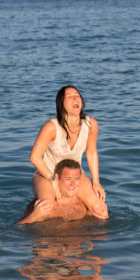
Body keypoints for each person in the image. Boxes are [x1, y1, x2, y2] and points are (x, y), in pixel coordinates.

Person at [30, 85, 106, 217]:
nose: (75, 98)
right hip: (47, 175)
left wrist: (96, 182)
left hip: (75, 175)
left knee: (100, 209)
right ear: (61, 104)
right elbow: (34, 158)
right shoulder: (51, 127)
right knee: (47, 209)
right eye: (70, 97)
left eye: (77, 96)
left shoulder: (91, 125)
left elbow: (91, 152)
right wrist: (53, 179)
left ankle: (104, 237)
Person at [18, 159, 108, 224]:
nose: (73, 184)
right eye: (68, 179)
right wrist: (33, 217)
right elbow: (18, 228)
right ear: (57, 178)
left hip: (78, 244)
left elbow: (100, 229)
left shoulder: (84, 205)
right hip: (53, 243)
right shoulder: (42, 206)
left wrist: (104, 218)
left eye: (76, 179)